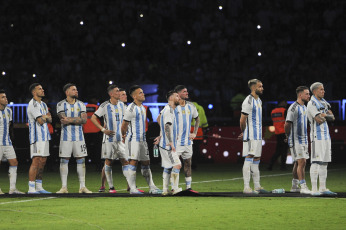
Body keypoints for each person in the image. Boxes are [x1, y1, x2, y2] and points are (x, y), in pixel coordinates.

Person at [121, 85, 162, 194]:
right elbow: (124, 125)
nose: (143, 94)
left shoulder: (143, 108)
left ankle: (152, 187)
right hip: (133, 139)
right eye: (140, 93)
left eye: (142, 92)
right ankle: (133, 189)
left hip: (142, 140)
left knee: (146, 162)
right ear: (134, 96)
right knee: (133, 162)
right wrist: (123, 136)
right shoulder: (130, 108)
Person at [91, 85, 129, 193]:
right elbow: (94, 118)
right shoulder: (105, 106)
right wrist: (103, 129)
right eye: (117, 91)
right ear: (111, 94)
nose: (119, 93)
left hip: (120, 139)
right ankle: (111, 187)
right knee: (108, 161)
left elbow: (126, 120)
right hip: (109, 139)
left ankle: (130, 185)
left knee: (125, 161)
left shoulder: (122, 105)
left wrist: (125, 133)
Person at [56, 83, 92, 194]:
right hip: (65, 138)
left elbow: (84, 120)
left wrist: (70, 120)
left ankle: (82, 187)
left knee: (81, 160)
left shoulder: (81, 104)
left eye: (76, 89)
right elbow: (63, 119)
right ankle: (64, 187)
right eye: (73, 89)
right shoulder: (61, 104)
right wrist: (77, 119)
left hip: (79, 137)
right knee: (64, 160)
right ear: (67, 92)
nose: (76, 91)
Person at [239, 79, 268, 194]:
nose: (262, 88)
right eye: (260, 86)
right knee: (249, 157)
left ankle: (257, 186)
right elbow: (242, 120)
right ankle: (246, 187)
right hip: (251, 134)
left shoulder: (259, 100)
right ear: (253, 88)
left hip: (258, 135)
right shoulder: (248, 101)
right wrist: (244, 132)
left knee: (256, 159)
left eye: (262, 86)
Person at [307, 82, 337, 196]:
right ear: (314, 91)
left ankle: (323, 188)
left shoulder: (324, 102)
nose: (323, 91)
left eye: (323, 89)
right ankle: (314, 190)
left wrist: (324, 115)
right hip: (317, 137)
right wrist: (325, 115)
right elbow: (318, 119)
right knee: (316, 162)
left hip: (326, 136)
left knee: (324, 163)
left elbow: (332, 117)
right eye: (321, 89)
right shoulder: (311, 103)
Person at [154, 90, 182, 195]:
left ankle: (165, 190)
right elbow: (166, 126)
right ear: (171, 98)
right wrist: (170, 141)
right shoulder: (169, 110)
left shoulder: (166, 109)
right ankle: (175, 189)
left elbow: (159, 120)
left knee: (167, 166)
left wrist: (161, 135)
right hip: (167, 145)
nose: (179, 98)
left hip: (163, 144)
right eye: (177, 96)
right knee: (177, 165)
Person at [285, 86, 311, 194]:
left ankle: (295, 186)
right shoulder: (293, 107)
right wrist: (287, 136)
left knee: (298, 162)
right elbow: (287, 124)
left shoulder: (305, 107)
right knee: (302, 161)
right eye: (307, 94)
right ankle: (303, 186)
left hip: (304, 139)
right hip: (296, 140)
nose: (309, 96)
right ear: (300, 95)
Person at [173, 85, 200, 191]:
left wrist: (194, 133)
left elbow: (197, 119)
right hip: (176, 142)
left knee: (188, 163)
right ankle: (174, 187)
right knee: (176, 164)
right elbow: (161, 119)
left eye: (187, 91)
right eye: (184, 92)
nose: (187, 93)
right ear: (178, 94)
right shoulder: (173, 106)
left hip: (188, 141)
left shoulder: (191, 106)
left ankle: (188, 187)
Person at [27, 83, 52, 194]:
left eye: (42, 88)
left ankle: (39, 186)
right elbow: (40, 121)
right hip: (37, 137)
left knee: (43, 161)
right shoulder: (33, 105)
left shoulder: (43, 105)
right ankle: (31, 188)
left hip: (45, 136)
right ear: (34, 92)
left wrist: (45, 117)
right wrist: (45, 117)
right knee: (36, 161)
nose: (42, 90)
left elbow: (50, 119)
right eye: (39, 89)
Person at [0, 90, 24, 194]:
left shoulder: (9, 110)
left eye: (5, 97)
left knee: (14, 162)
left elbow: (9, 125)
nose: (6, 99)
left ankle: (12, 189)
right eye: (3, 97)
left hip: (7, 142)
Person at [268, 99, 288, 171]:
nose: (286, 103)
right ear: (282, 102)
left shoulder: (273, 111)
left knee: (278, 150)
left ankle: (270, 165)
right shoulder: (284, 111)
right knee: (284, 150)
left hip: (277, 133)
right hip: (284, 132)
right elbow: (288, 122)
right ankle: (283, 166)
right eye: (285, 102)